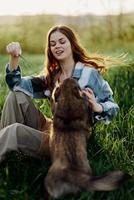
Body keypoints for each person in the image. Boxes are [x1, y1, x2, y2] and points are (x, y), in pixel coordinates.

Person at [0, 25, 119, 163]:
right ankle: (5, 152)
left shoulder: (89, 74)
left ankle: (4, 144)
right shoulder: (53, 76)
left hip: (68, 142)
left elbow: (113, 107)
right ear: (50, 49)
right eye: (53, 44)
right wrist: (14, 58)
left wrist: (97, 106)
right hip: (51, 129)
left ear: (72, 44)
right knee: (16, 95)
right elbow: (16, 85)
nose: (57, 46)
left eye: (62, 41)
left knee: (14, 131)